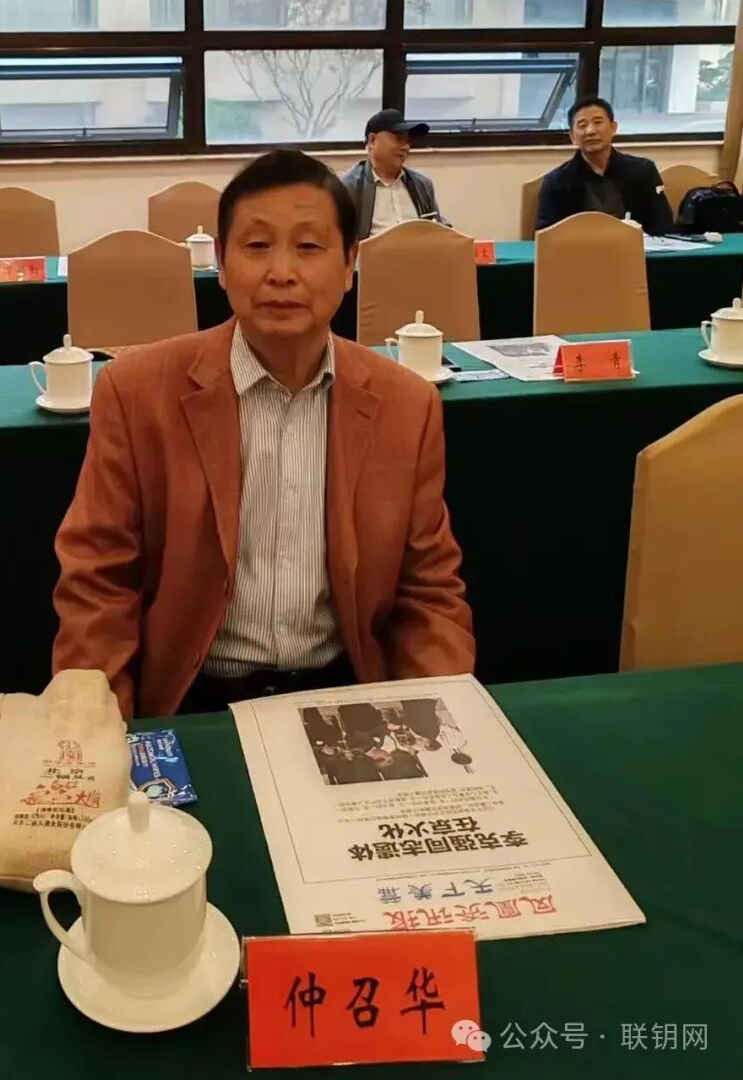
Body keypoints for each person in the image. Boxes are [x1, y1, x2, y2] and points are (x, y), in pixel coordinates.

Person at [52, 148, 474, 719]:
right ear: (221, 263)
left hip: (345, 692)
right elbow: (98, 580)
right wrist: (103, 727)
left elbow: (428, 591)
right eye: (256, 246)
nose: (281, 272)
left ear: (350, 265)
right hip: (194, 695)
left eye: (309, 247)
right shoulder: (137, 392)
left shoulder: (407, 404)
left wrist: (440, 718)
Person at [535, 96, 673, 235]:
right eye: (582, 125)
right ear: (572, 137)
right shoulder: (556, 182)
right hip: (581, 248)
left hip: (636, 247)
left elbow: (664, 225)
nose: (590, 131)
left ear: (613, 128)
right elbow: (545, 235)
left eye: (597, 122)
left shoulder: (643, 171)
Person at [340, 109, 447, 239]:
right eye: (398, 139)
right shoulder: (349, 188)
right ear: (372, 140)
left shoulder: (422, 184)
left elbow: (437, 228)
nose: (406, 147)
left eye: (408, 141)